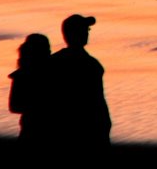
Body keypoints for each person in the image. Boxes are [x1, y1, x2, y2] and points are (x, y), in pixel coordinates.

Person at [48, 14, 112, 152]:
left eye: (87, 29)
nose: (87, 32)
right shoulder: (88, 64)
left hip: (90, 129)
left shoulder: (55, 61)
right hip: (81, 131)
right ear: (72, 33)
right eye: (84, 29)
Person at [8, 33, 52, 145]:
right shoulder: (21, 76)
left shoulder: (20, 75)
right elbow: (14, 106)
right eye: (47, 49)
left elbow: (14, 106)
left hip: (29, 130)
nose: (49, 52)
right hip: (35, 130)